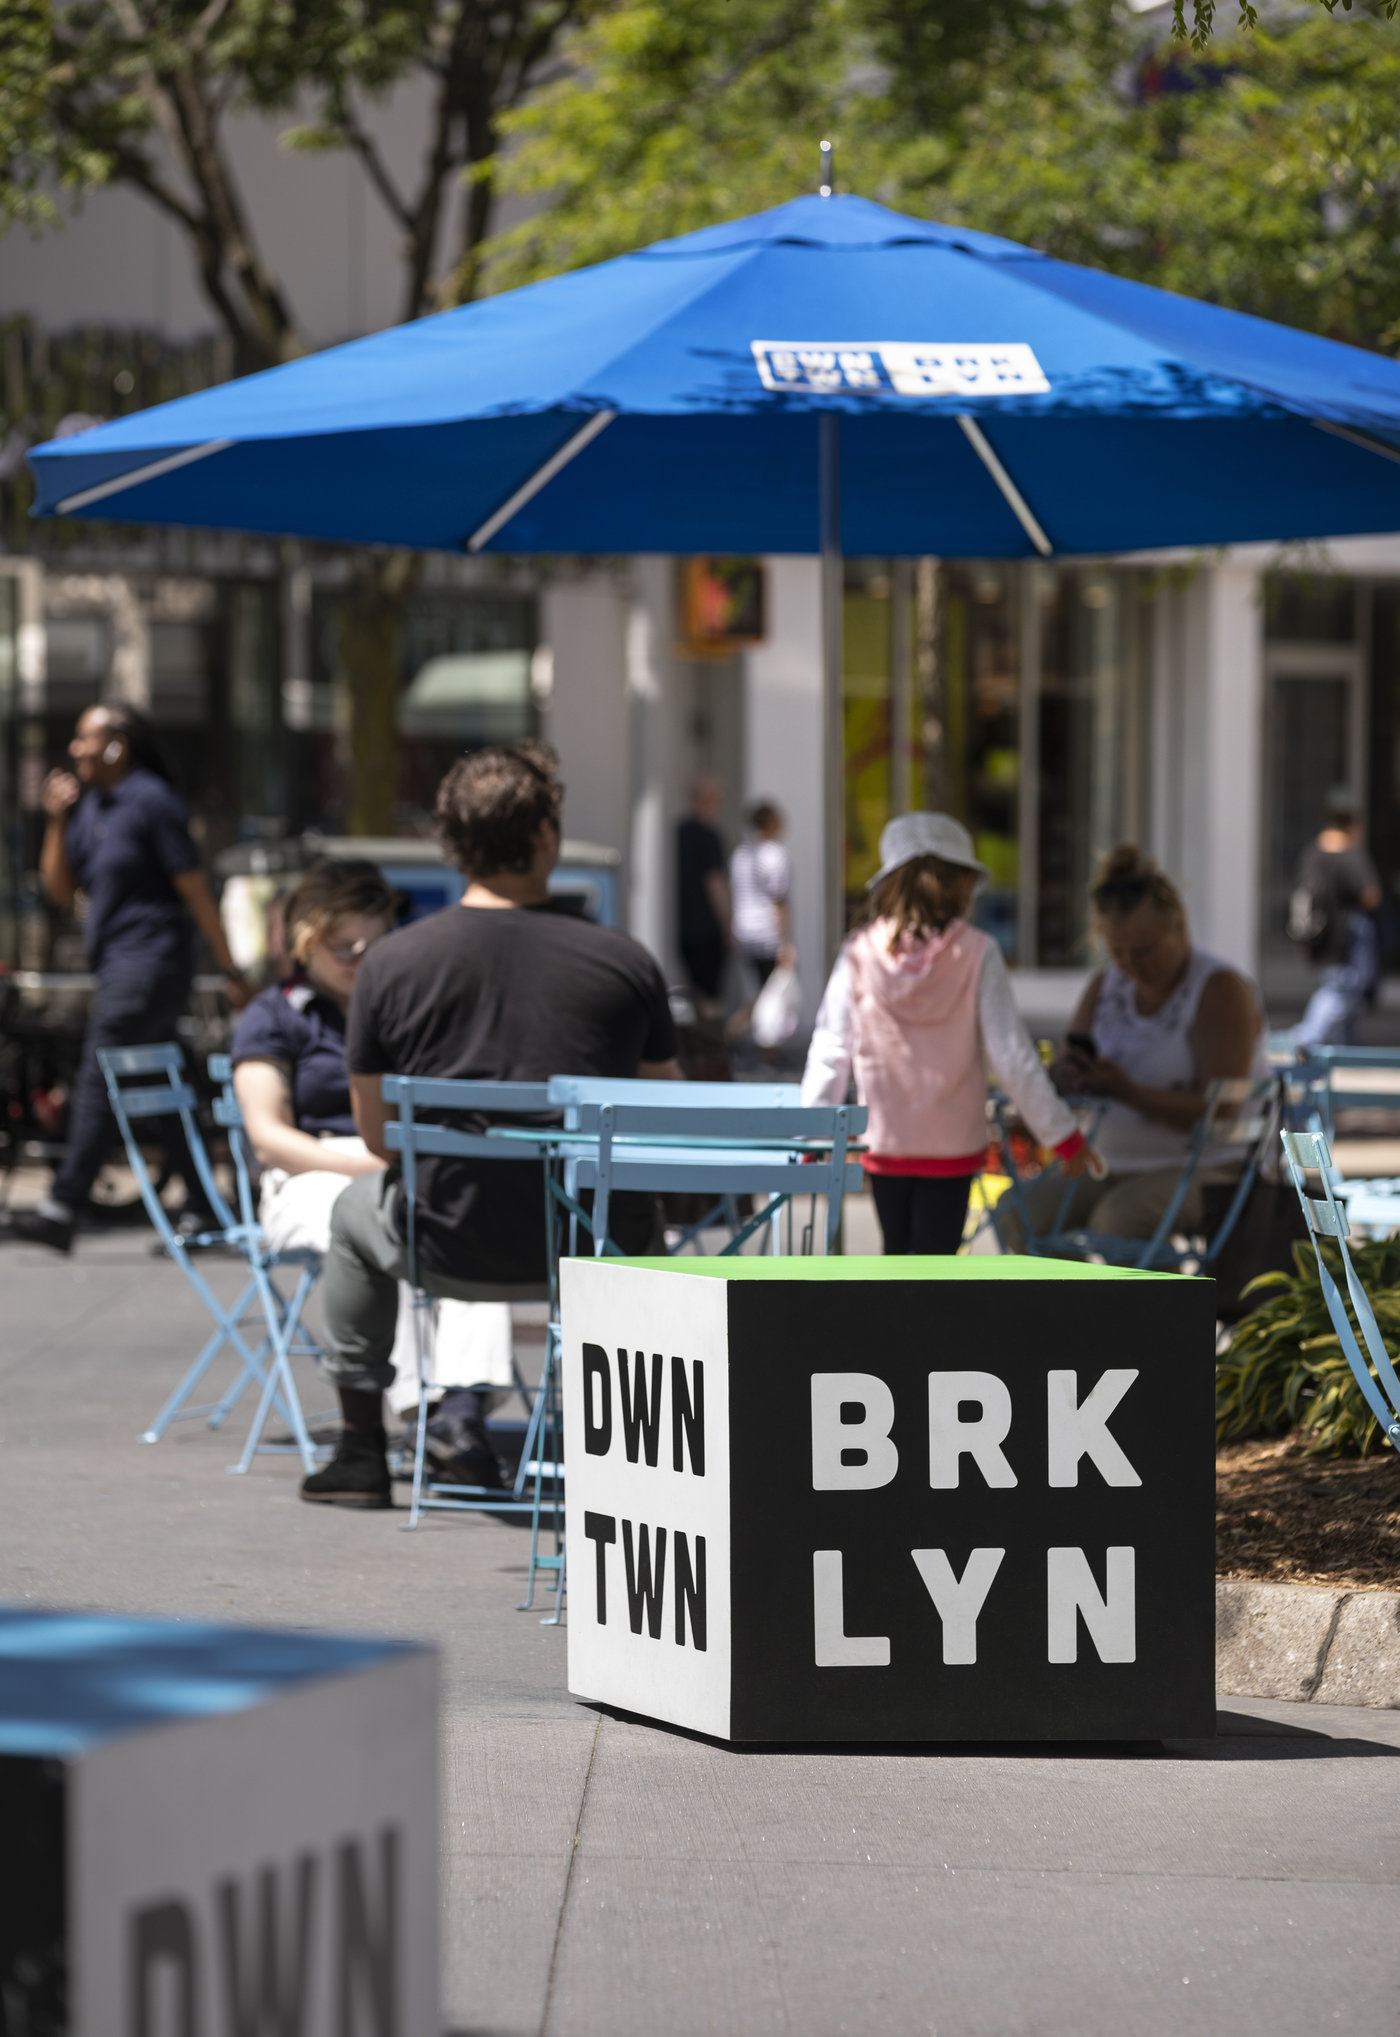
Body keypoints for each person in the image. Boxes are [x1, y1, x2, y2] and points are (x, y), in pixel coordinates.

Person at [301, 742, 681, 1509]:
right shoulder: (624, 963)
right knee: (646, 1217)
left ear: (448, 843)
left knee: (349, 1211)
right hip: (591, 1241)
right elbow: (661, 1125)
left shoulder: (391, 965)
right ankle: (633, 1458)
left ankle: (362, 1450)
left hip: (445, 1237)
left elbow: (379, 1140)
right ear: (546, 835)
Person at [232, 858, 511, 1429]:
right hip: (307, 1176)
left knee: (467, 1223)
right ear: (308, 943)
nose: (360, 963)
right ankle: (429, 1408)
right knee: (386, 1223)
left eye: (373, 948)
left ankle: (460, 1406)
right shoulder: (273, 1017)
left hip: (395, 1164)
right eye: (343, 949)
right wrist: (362, 1162)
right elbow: (268, 1141)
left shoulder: (403, 1011)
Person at [9, 702, 250, 1254]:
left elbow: (193, 889)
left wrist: (230, 969)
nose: (74, 750)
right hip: (118, 965)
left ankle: (63, 1205)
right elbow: (58, 892)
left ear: (118, 745)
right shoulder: (92, 807)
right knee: (163, 1088)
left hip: (151, 965)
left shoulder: (151, 802)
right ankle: (203, 1209)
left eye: (85, 739)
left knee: (100, 1076)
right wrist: (56, 819)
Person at [802, 813, 1090, 1255]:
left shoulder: (859, 953)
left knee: (896, 1253)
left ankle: (895, 1327)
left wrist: (812, 1135)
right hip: (953, 1143)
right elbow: (1011, 1055)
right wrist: (1061, 1135)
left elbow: (830, 1047)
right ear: (961, 883)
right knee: (937, 1263)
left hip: (884, 1138)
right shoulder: (978, 952)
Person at [1000, 844, 1269, 1251]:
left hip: (1211, 1165)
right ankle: (1063, 1312)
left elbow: (1221, 1113)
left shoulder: (1219, 988)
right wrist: (1067, 1077)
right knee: (1017, 1210)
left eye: (1144, 950)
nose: (1131, 965)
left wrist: (1127, 1091)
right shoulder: (1106, 985)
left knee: (1119, 1219)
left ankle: (1159, 1314)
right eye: (1117, 951)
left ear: (1179, 928)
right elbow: (1066, 1074)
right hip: (1111, 1162)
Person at [1290, 792, 1383, 1050]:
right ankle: (1306, 1037)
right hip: (1346, 937)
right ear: (1352, 824)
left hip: (1319, 936)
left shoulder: (1312, 853)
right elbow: (1371, 896)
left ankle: (1348, 1048)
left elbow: (1303, 895)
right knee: (1339, 992)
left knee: (1345, 994)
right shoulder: (1351, 856)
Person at [676, 774, 732, 1006]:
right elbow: (715, 883)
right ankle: (708, 1041)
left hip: (683, 926)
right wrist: (728, 925)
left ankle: (696, 1040)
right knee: (710, 998)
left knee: (693, 994)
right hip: (708, 929)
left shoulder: (678, 832)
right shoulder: (710, 836)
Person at [730, 799, 793, 987]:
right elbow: (778, 901)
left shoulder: (740, 854)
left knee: (759, 993)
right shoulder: (774, 854)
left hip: (744, 932)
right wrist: (785, 943)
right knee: (771, 997)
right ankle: (738, 1018)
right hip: (767, 935)